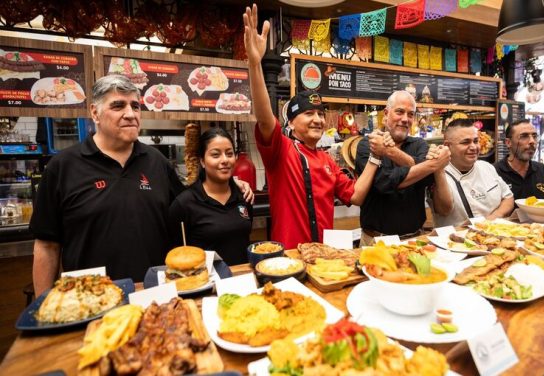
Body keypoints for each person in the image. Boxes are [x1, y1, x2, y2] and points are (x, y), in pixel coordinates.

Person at [29, 75, 252, 296]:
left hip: (154, 295)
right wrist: (42, 307)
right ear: (94, 112)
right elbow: (47, 246)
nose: (130, 114)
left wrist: (231, 183)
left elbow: (194, 201)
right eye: (118, 106)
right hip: (89, 300)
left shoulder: (157, 163)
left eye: (135, 106)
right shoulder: (63, 167)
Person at [243, 4, 380, 249]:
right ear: (291, 123)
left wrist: (375, 157)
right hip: (289, 259)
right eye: (308, 114)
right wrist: (255, 64)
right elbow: (264, 118)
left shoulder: (328, 161)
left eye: (320, 113)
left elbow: (356, 196)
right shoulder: (281, 150)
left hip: (325, 257)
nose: (317, 119)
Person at [354, 91, 451, 245]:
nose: (405, 119)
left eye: (411, 114)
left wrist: (389, 151)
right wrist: (427, 166)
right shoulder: (368, 144)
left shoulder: (420, 145)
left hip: (415, 239)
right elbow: (383, 182)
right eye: (399, 112)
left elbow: (426, 176)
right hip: (375, 241)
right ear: (386, 114)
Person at [168, 128, 252, 265]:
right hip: (205, 283)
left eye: (229, 154)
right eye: (215, 155)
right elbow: (174, 254)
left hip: (242, 280)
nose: (225, 160)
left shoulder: (244, 196)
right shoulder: (184, 204)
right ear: (202, 161)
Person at [431, 119, 513, 227]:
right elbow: (444, 210)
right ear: (447, 145)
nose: (473, 147)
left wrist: (492, 219)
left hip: (494, 235)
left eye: (475, 141)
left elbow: (508, 198)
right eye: (465, 142)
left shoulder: (487, 167)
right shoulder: (438, 173)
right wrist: (438, 167)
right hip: (455, 240)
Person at [496, 119, 544, 200]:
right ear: (508, 142)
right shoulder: (494, 173)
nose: (532, 141)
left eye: (534, 136)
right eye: (524, 136)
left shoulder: (543, 171)